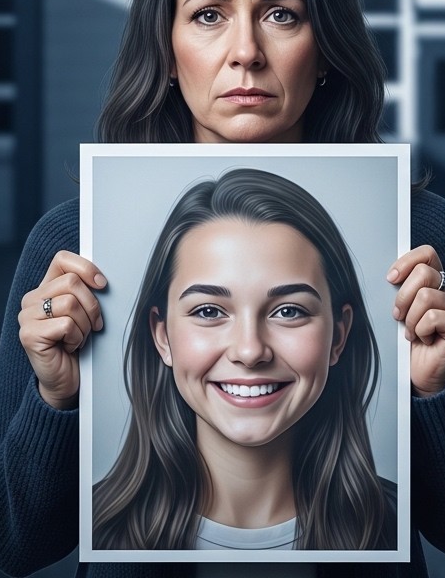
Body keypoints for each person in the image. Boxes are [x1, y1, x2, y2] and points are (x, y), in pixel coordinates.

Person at [0, 0, 445, 577]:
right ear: (167, 47)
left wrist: (437, 392)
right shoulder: (76, 240)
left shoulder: (422, 233)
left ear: (326, 47)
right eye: (208, 15)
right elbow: (8, 542)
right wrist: (55, 399)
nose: (245, 53)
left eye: (281, 15)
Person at [93, 168, 392, 551]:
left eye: (288, 311)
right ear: (162, 335)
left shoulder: (393, 523)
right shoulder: (94, 523)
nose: (250, 352)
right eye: (208, 312)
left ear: (339, 335)